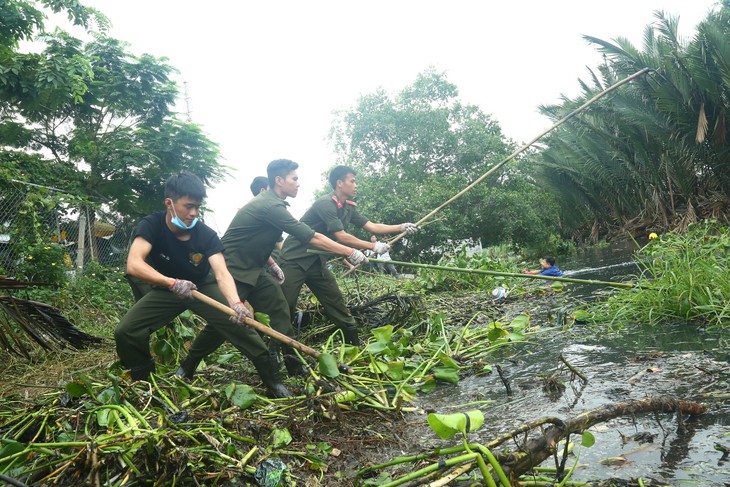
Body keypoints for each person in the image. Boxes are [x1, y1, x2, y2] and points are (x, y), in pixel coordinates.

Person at [177, 160, 368, 378]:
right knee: (222, 323)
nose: (298, 184)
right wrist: (349, 252)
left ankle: (293, 362)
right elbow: (310, 236)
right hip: (233, 270)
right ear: (279, 181)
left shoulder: (273, 203)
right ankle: (188, 366)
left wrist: (273, 264)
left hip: (257, 269)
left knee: (279, 311)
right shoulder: (270, 206)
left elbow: (255, 240)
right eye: (294, 179)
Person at [114, 172, 291, 397]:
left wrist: (235, 303)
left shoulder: (205, 235)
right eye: (188, 206)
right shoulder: (152, 225)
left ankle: (273, 382)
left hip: (203, 285)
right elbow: (134, 264)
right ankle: (143, 378)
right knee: (126, 331)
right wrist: (172, 283)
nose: (194, 213)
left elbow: (221, 273)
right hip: (169, 287)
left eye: (197, 207)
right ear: (169, 203)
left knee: (241, 328)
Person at [278, 165, 418, 345]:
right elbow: (341, 236)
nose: (356, 185)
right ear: (339, 183)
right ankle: (285, 353)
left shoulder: (347, 207)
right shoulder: (325, 203)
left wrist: (401, 227)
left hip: (316, 262)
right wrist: (372, 246)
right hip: (294, 260)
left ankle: (354, 344)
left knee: (336, 302)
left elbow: (372, 226)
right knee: (286, 308)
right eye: (352, 181)